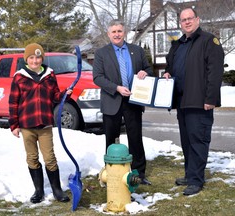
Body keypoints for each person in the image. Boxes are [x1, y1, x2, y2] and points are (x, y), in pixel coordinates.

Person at [163, 8, 224, 195]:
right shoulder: (178, 44)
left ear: (197, 19)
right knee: (187, 141)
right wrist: (167, 73)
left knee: (198, 141)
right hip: (182, 101)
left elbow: (215, 72)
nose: (187, 22)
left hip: (199, 101)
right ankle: (190, 175)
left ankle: (197, 180)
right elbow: (170, 67)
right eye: (183, 20)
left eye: (190, 18)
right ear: (180, 23)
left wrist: (210, 99)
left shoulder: (208, 41)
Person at [8, 43, 72, 203]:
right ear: (26, 59)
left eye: (38, 57)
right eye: (31, 57)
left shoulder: (49, 75)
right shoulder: (19, 77)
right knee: (32, 157)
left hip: (45, 124)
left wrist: (65, 94)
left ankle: (57, 190)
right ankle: (38, 191)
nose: (35, 61)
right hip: (26, 124)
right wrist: (14, 125)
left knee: (49, 157)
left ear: (42, 58)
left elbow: (55, 95)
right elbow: (13, 102)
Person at [93, 19, 153, 185]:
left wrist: (144, 73)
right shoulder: (101, 53)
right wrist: (117, 88)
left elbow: (149, 69)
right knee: (111, 139)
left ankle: (138, 174)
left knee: (135, 139)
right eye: (114, 32)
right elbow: (97, 77)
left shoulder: (137, 51)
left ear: (124, 32)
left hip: (133, 101)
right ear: (108, 34)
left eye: (119, 31)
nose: (117, 34)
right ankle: (111, 173)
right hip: (112, 100)